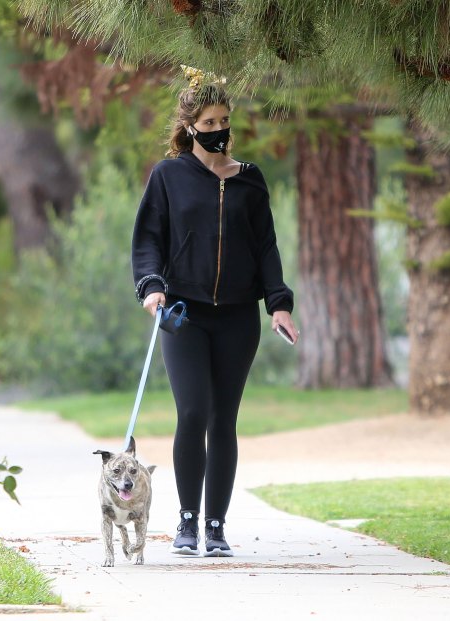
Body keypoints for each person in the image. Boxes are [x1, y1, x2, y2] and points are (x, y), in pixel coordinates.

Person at [131, 67, 298, 557]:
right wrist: (151, 288)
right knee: (194, 411)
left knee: (223, 418)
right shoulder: (168, 176)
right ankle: (186, 522)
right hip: (183, 312)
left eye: (225, 119)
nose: (219, 129)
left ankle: (216, 527)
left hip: (237, 316)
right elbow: (147, 241)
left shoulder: (250, 180)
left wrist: (279, 304)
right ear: (189, 128)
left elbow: (266, 247)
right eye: (209, 122)